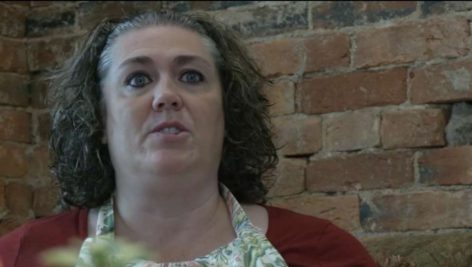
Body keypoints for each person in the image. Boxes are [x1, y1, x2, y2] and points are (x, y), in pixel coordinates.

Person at [0, 11, 377, 267]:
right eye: (138, 79)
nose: (166, 95)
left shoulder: (324, 253)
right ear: (98, 117)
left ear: (227, 111)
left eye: (192, 76)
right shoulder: (21, 256)